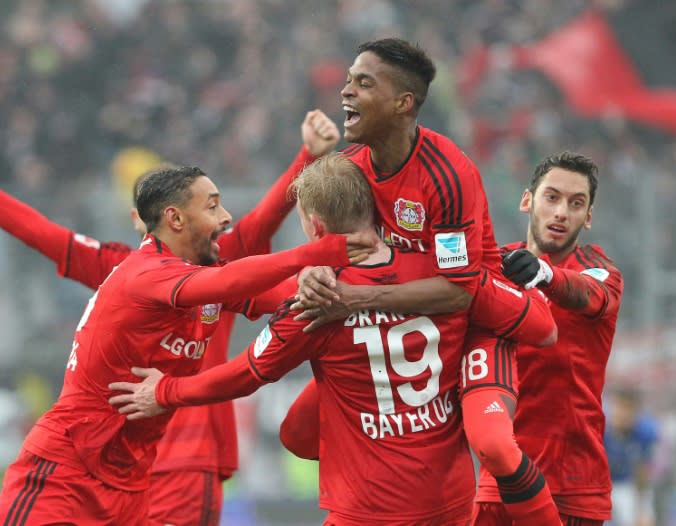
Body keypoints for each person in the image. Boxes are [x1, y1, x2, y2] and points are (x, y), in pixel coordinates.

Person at [0, 110, 340, 525]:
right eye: (212, 206)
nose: (226, 217)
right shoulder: (136, 272)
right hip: (75, 469)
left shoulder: (215, 267)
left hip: (140, 474)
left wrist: (363, 285)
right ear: (158, 219)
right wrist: (322, 253)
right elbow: (41, 232)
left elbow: (264, 271)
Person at [109, 153, 481, 525]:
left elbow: (245, 373)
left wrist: (166, 392)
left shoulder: (315, 303)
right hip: (453, 496)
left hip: (371, 504)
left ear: (314, 224)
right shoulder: (435, 274)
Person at [285, 38, 561, 524]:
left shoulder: (447, 173)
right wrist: (313, 269)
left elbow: (458, 290)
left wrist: (355, 299)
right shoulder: (350, 167)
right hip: (403, 320)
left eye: (363, 82)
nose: (345, 90)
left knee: (495, 442)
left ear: (403, 103)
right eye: (348, 78)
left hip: (471, 313)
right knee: (297, 434)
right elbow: (335, 244)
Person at [473, 151, 624, 526]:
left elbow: (585, 294)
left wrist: (543, 274)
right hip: (496, 482)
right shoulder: (494, 265)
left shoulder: (600, 271)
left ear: (587, 217)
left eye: (576, 204)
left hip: (571, 489)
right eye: (552, 197)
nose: (561, 212)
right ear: (528, 200)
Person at [604, 387, 658, 526]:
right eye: (620, 407)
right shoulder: (600, 430)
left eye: (628, 409)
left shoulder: (644, 432)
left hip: (628, 485)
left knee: (645, 520)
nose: (623, 414)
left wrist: (642, 509)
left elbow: (642, 473)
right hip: (601, 486)